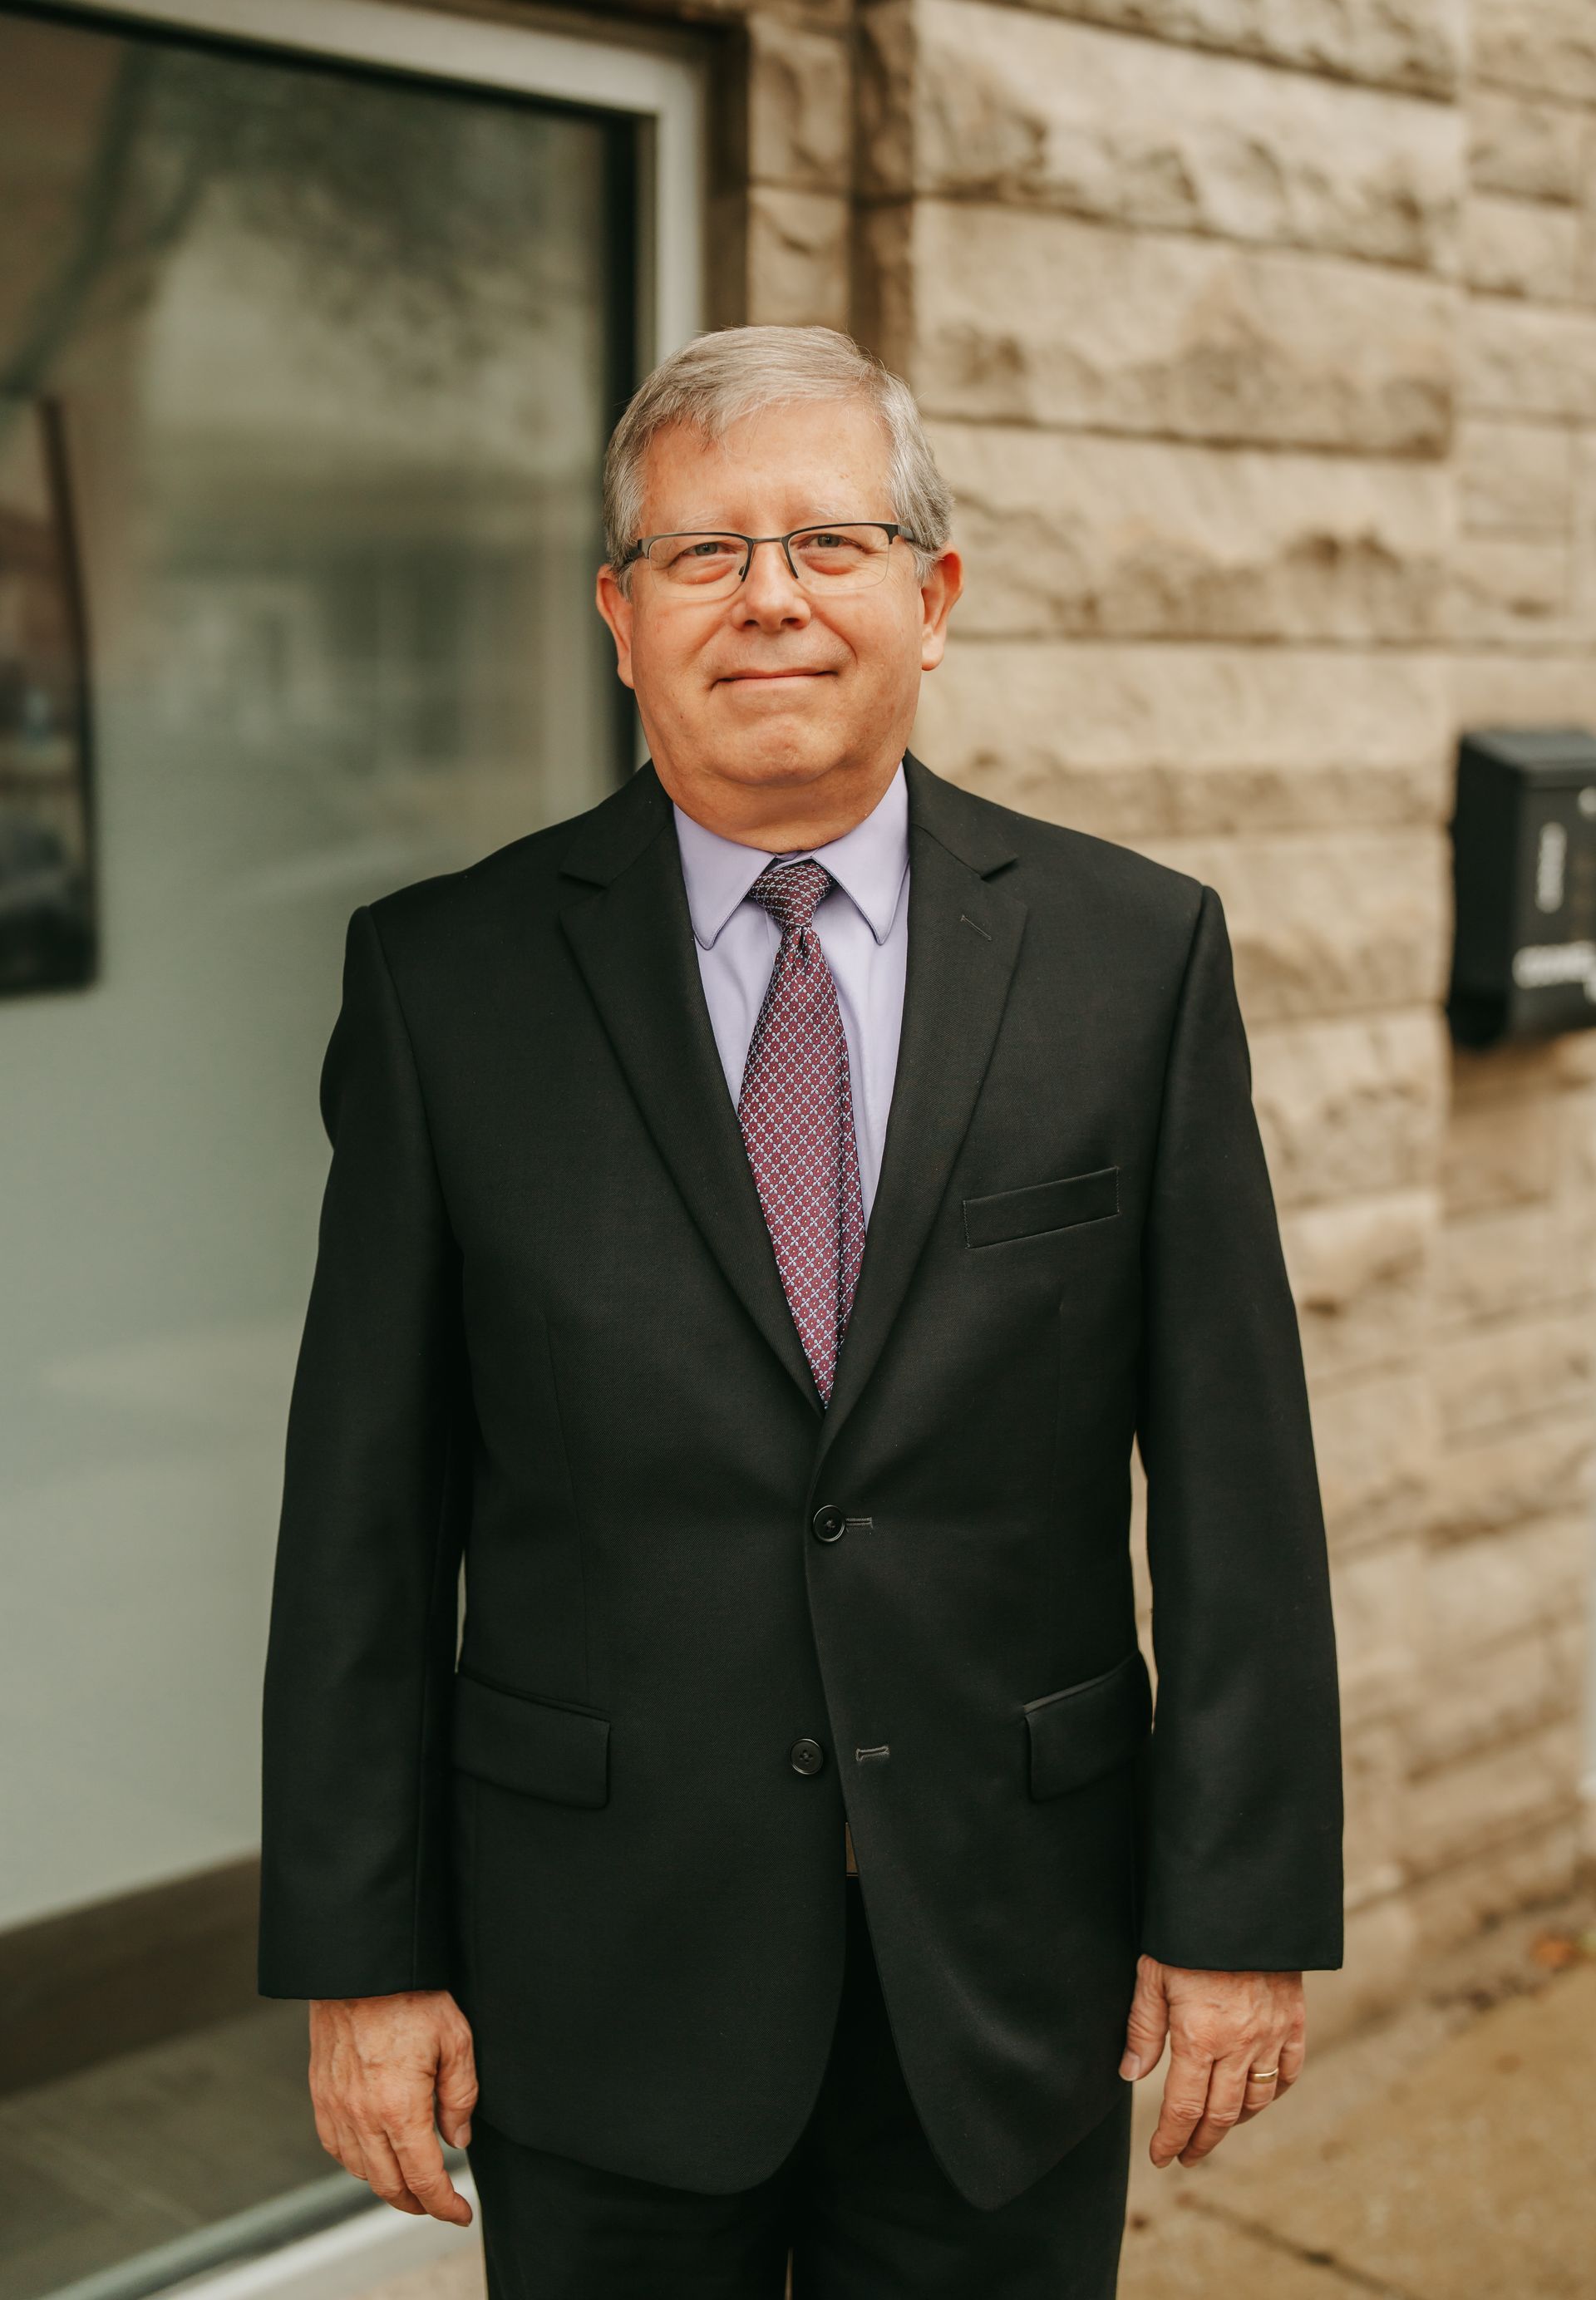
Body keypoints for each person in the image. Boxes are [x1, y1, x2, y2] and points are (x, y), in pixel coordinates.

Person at [259, 324, 1342, 2298]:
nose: (768, 596)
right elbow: (363, 1521)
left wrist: (1243, 1900)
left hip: (1010, 1965)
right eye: (700, 554)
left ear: (931, 599)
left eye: (828, 542)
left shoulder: (1133, 957)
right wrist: (364, 1959)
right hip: (597, 1970)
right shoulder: (447, 985)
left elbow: (1236, 1466)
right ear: (619, 616)